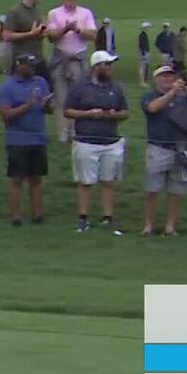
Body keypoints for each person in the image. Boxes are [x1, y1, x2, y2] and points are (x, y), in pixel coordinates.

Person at [64, 50, 129, 235]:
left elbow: (125, 112)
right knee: (85, 181)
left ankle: (108, 218)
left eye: (111, 65)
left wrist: (111, 115)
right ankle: (83, 218)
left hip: (111, 141)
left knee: (108, 181)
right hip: (86, 140)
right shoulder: (80, 87)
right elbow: (67, 111)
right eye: (107, 65)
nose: (110, 68)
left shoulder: (116, 88)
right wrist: (88, 114)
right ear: (96, 67)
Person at [141, 66, 187, 237]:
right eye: (163, 76)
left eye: (170, 76)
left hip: (180, 148)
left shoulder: (182, 97)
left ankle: (170, 227)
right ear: (156, 79)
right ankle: (149, 225)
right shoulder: (150, 96)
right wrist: (172, 93)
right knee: (152, 190)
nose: (167, 80)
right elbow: (153, 108)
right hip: (158, 147)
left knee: (176, 191)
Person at [0, 52, 52, 224]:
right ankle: (15, 216)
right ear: (18, 65)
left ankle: (38, 214)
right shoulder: (7, 87)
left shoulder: (41, 82)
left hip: (38, 139)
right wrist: (28, 105)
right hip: (17, 141)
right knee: (17, 179)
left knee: (36, 179)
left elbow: (48, 110)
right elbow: (6, 114)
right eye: (29, 65)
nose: (32, 68)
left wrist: (47, 104)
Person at [45, 0, 97, 144]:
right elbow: (51, 36)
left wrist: (78, 30)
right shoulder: (54, 13)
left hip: (78, 59)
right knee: (61, 99)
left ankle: (76, 131)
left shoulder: (86, 13)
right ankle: (62, 133)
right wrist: (66, 29)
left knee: (78, 98)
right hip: (60, 59)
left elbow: (93, 34)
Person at [0, 0, 48, 76]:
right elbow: (6, 36)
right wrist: (30, 34)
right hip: (22, 62)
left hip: (38, 58)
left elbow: (39, 32)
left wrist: (43, 32)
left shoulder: (37, 11)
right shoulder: (15, 11)